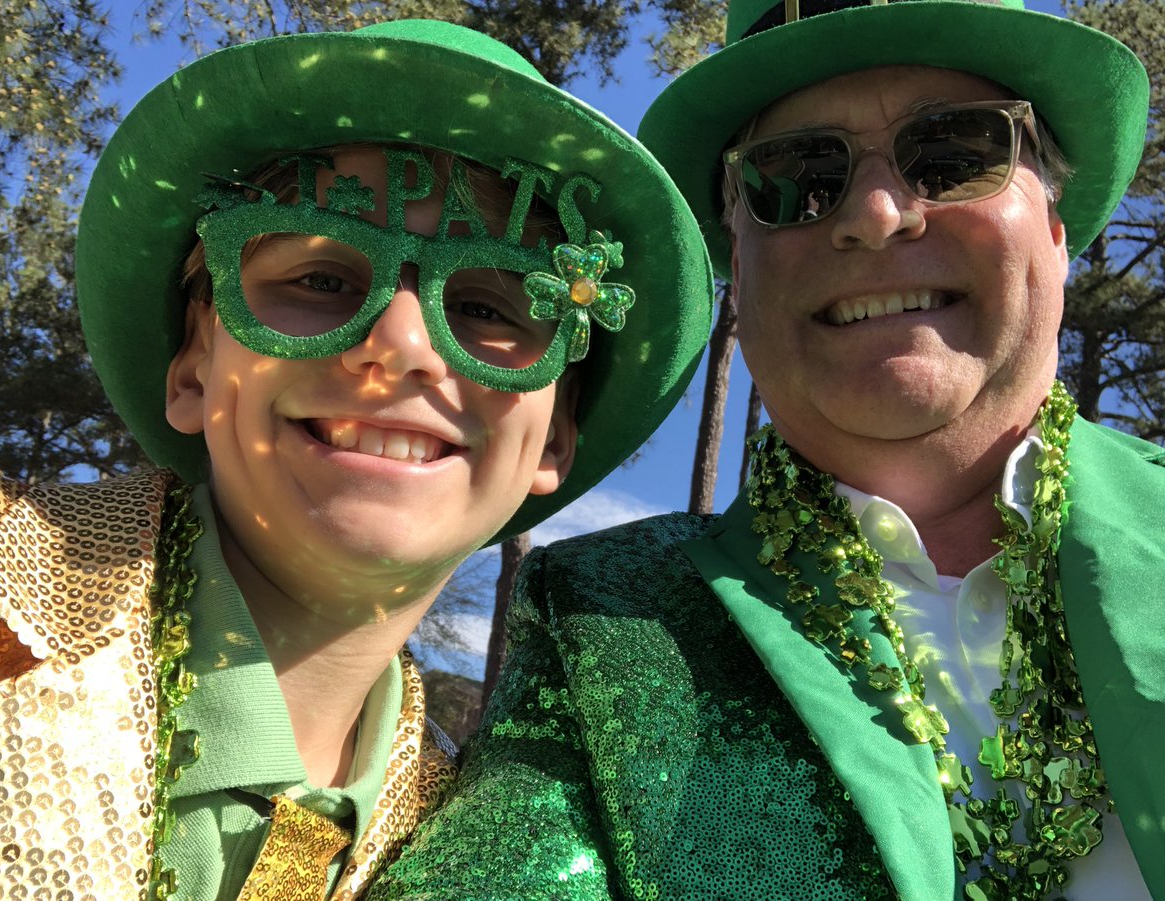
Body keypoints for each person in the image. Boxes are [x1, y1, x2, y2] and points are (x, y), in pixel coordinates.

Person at [367, 2, 1163, 899]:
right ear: (738, 268)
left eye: (953, 154)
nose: (874, 213)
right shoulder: (606, 626)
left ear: (1057, 231)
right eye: (797, 176)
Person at [0, 19, 713, 901]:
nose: (401, 344)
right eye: (321, 280)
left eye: (486, 307)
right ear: (195, 367)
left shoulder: (483, 854)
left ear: (552, 438)